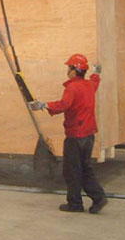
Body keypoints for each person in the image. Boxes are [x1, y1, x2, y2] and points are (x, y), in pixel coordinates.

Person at [28, 53, 108, 214]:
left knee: (72, 170)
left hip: (76, 136)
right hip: (88, 135)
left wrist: (43, 105)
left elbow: (63, 105)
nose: (67, 71)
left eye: (69, 68)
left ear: (74, 70)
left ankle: (75, 204)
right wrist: (97, 72)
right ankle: (98, 198)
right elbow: (95, 81)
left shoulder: (73, 88)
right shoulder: (88, 85)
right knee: (85, 168)